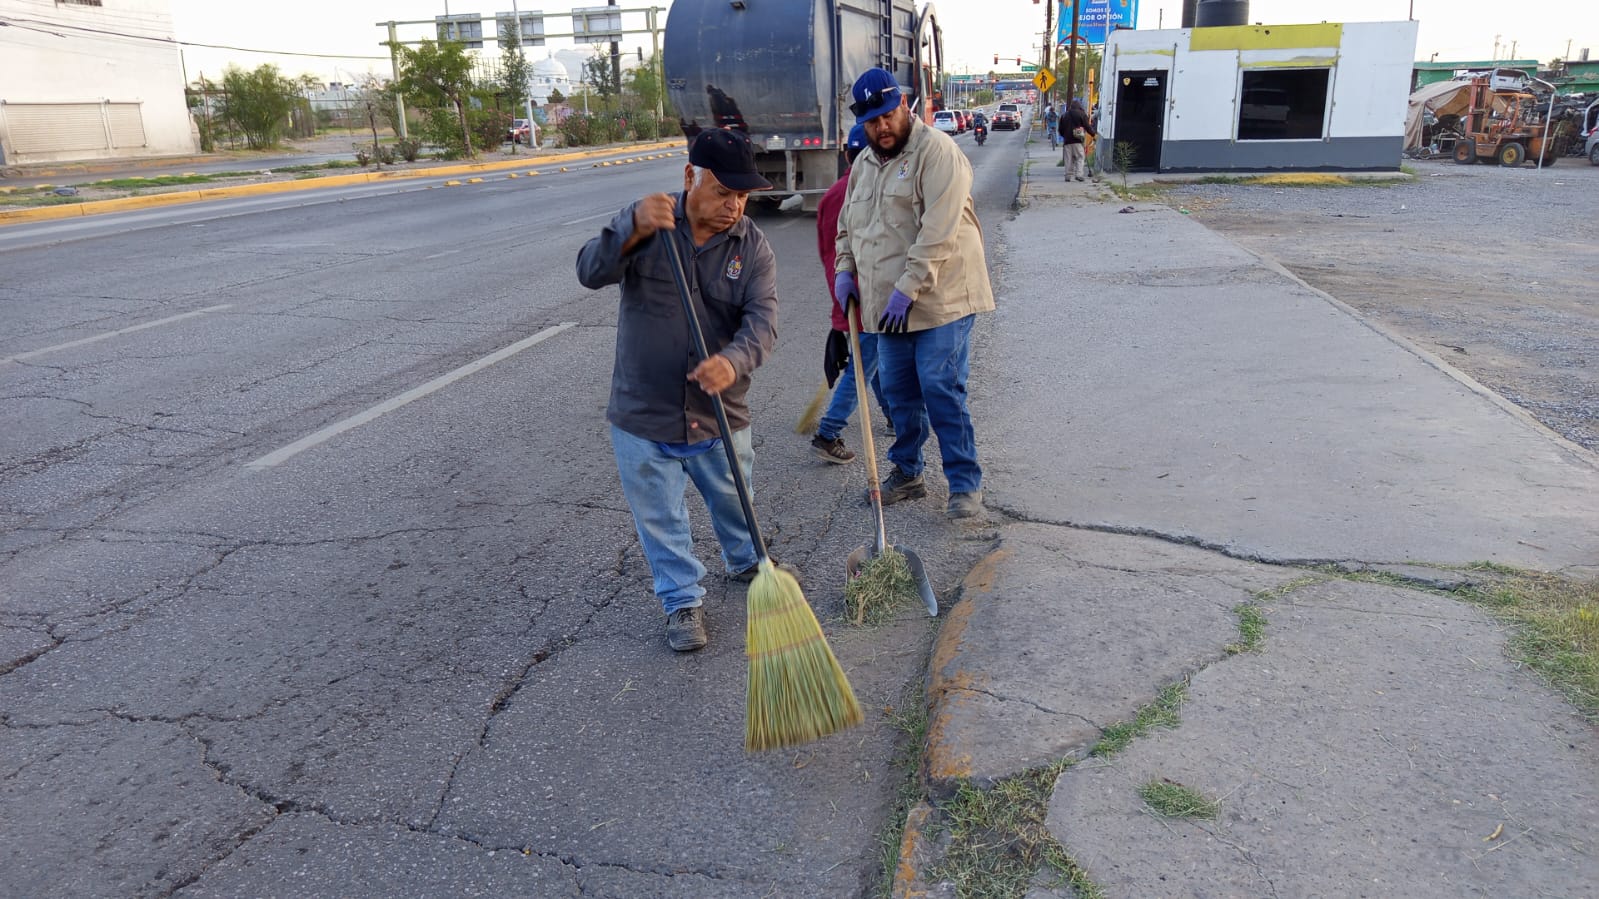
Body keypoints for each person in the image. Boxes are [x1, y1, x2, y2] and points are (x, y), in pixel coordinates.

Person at [575, 128, 778, 652]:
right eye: (723, 192)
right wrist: (629, 227)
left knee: (735, 497)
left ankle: (745, 560)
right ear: (690, 177)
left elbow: (762, 323)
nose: (734, 206)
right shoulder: (649, 223)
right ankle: (681, 600)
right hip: (645, 411)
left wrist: (732, 362)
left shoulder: (752, 246)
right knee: (660, 517)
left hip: (718, 411)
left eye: (742, 195)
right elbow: (589, 271)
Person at [833, 67, 996, 520]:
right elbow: (848, 228)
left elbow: (938, 233)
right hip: (889, 305)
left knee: (939, 385)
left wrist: (907, 289)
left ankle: (964, 483)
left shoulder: (937, 152)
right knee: (898, 393)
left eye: (888, 115)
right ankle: (908, 472)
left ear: (904, 105)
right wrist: (845, 270)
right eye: (872, 122)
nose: (882, 127)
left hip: (943, 297)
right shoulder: (864, 165)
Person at [811, 123, 893, 465]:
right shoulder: (873, 189)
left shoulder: (831, 194)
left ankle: (892, 414)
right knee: (864, 364)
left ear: (847, 156)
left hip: (843, 289)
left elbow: (826, 250)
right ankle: (828, 432)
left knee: (871, 357)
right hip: (870, 293)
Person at [1059, 97, 1096, 182]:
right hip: (1078, 140)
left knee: (1068, 159)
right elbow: (1087, 126)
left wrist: (1064, 135)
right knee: (1080, 157)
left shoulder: (1064, 115)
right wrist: (1093, 134)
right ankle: (1079, 174)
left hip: (1067, 141)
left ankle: (1068, 176)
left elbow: (1060, 129)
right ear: (1079, 106)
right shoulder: (1082, 114)